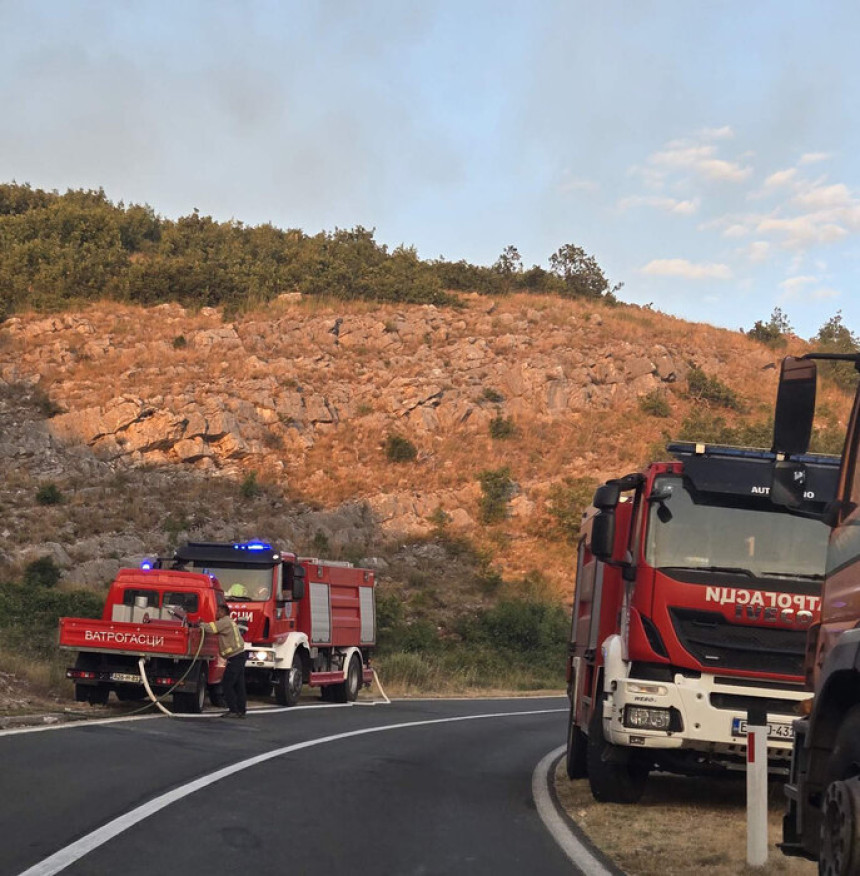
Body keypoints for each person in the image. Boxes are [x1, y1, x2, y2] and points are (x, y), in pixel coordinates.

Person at [201, 605, 247, 718]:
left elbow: (211, 628)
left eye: (218, 611)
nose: (216, 613)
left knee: (227, 684)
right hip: (239, 656)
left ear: (222, 612)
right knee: (239, 685)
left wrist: (200, 624)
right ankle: (241, 710)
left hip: (235, 657)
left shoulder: (224, 622)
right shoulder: (229, 622)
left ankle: (234, 710)